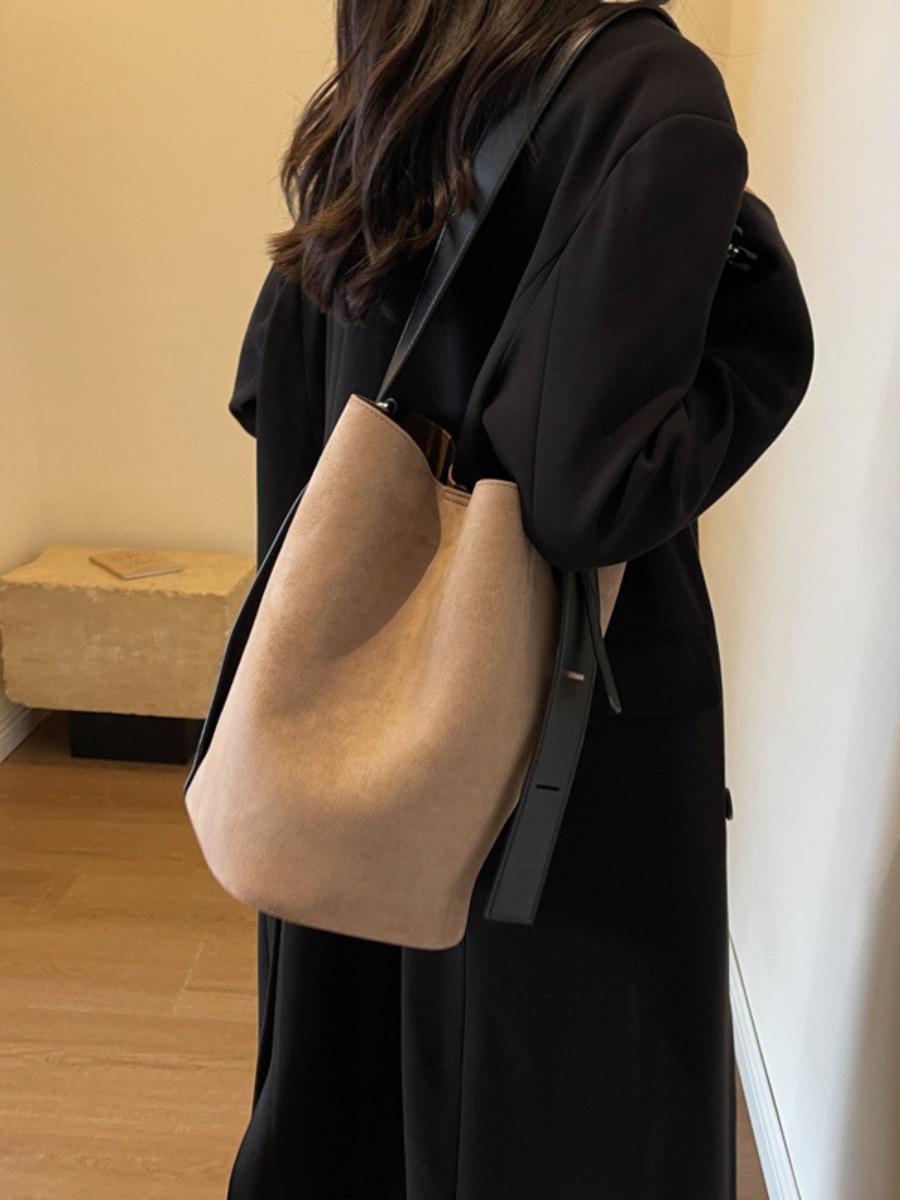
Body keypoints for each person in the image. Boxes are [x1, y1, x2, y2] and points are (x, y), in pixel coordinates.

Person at [222, 1, 814, 1196]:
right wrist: (758, 325)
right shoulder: (652, 94)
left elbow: (271, 383)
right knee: (556, 1100)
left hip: (359, 702)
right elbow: (586, 494)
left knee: (363, 1091)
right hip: (563, 748)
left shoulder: (402, 53)